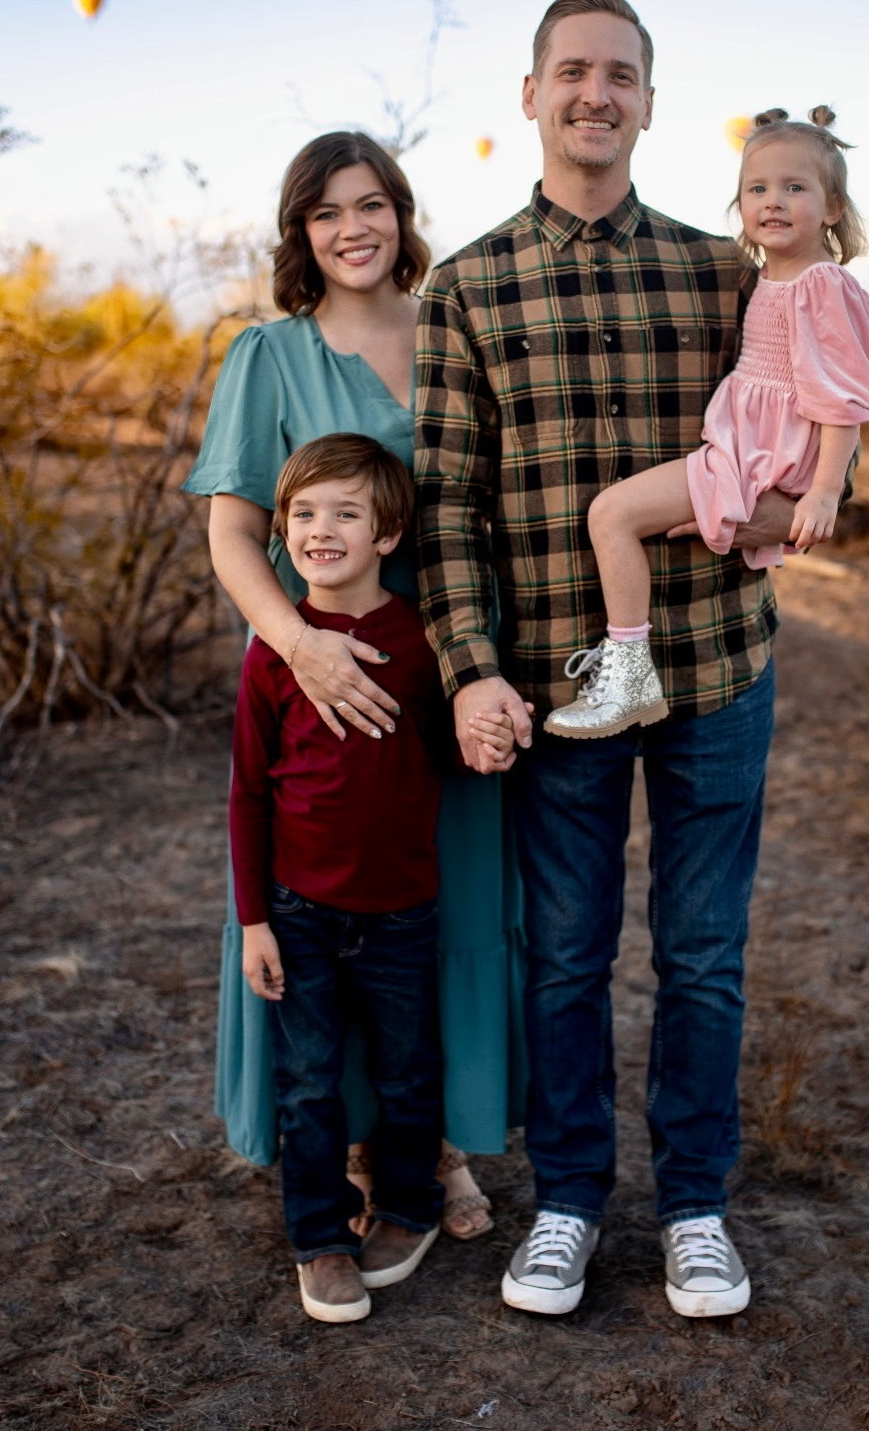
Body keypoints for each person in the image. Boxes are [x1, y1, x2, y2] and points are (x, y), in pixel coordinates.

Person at [415, 0, 842, 1320]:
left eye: (620, 74)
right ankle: (570, 1199)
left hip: (716, 663)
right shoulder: (467, 286)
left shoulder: (727, 272)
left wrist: (802, 502)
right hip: (561, 686)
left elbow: (821, 397)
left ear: (650, 104)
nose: (594, 92)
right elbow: (442, 502)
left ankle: (698, 1206)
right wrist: (471, 665)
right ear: (531, 94)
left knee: (703, 952)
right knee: (565, 954)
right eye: (571, 71)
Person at [184, 130, 524, 1243]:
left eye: (372, 203)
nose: (354, 228)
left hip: (446, 674)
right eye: (327, 212)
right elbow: (235, 532)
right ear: (302, 233)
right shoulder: (268, 356)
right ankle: (369, 1146)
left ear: (401, 212)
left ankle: (441, 1140)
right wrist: (297, 645)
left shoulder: (456, 332)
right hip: (321, 675)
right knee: (330, 910)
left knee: (447, 908)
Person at [231, 434, 514, 1322]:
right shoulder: (275, 649)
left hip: (400, 910)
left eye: (346, 512)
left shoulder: (421, 640)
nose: (322, 529)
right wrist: (254, 921)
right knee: (309, 1081)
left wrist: (491, 739)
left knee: (405, 1071)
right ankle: (319, 1238)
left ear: (388, 533)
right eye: (305, 513)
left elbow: (446, 759)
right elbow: (246, 790)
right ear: (282, 530)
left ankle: (407, 1208)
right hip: (299, 908)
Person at [545, 104, 869, 739]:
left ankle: (629, 675)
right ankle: (630, 670)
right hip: (745, 447)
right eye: (757, 188)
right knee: (628, 517)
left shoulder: (821, 284)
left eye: (795, 187)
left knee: (610, 515)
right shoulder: (762, 276)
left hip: (759, 459)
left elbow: (845, 398)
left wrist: (824, 490)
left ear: (833, 208)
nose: (773, 201)